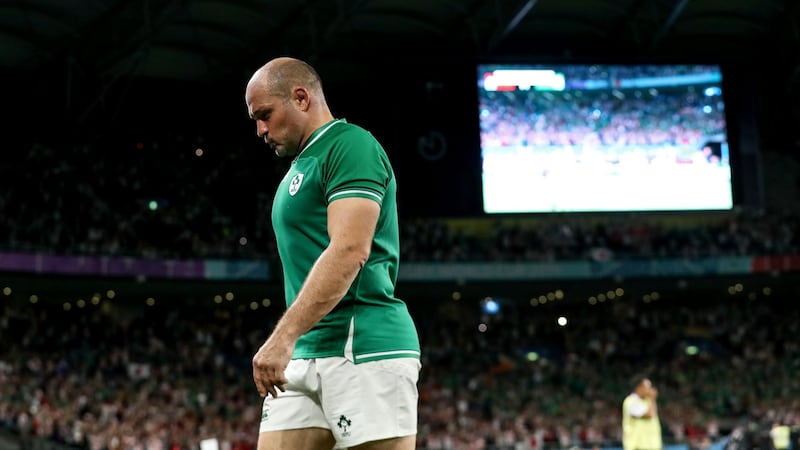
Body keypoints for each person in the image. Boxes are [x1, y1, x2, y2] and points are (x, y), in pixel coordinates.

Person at [244, 56, 421, 450]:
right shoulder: (301, 165)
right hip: (306, 352)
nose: (260, 129)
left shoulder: (350, 146)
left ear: (301, 97)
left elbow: (349, 250)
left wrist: (282, 336)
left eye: (265, 114)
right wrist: (292, 339)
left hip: (364, 348)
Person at [622, 376, 663, 450]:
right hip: (637, 446)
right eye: (648, 387)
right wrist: (652, 399)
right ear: (638, 388)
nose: (650, 390)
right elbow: (650, 415)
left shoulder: (647, 401)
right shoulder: (631, 402)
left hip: (652, 446)